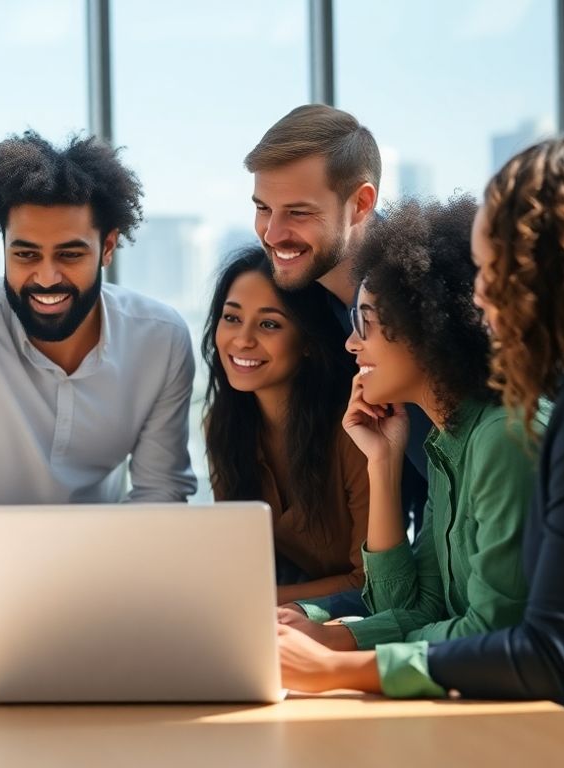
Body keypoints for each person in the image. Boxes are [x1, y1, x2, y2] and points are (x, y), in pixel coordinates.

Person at [276, 135, 564, 762]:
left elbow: (547, 653)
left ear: (548, 274)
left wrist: (338, 669)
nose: (480, 297)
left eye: (493, 272)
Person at [0, 130, 197, 586]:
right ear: (3, 247)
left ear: (107, 247)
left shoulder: (160, 340)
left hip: (101, 589)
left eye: (69, 254)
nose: (46, 277)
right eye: (25, 254)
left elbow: (160, 493)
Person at [280, 196, 540, 658]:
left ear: (428, 327)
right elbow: (414, 607)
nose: (351, 342)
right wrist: (383, 463)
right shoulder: (449, 441)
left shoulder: (502, 439)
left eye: (368, 323)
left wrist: (339, 642)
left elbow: (488, 633)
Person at [245, 103, 431, 567]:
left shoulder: (429, 303)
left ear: (361, 204)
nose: (272, 233)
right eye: (263, 208)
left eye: (299, 213)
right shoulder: (310, 303)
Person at [202, 245, 368, 602]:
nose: (242, 340)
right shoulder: (224, 425)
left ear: (308, 341)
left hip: (354, 622)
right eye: (231, 318)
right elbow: (238, 566)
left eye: (269, 324)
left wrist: (257, 601)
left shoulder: (354, 429)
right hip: (275, 618)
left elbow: (370, 583)